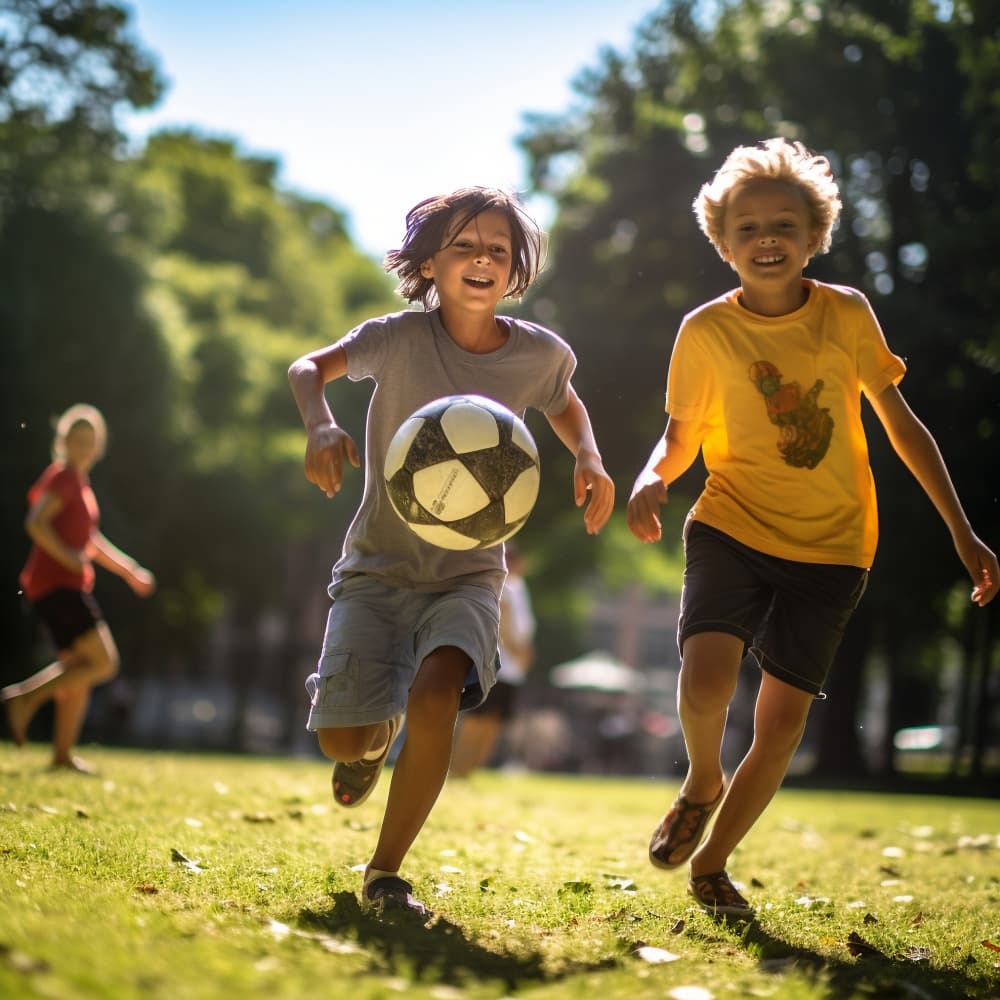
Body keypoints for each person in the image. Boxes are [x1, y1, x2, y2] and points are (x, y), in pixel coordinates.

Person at [626, 138, 998, 919]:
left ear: (813, 235)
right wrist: (651, 478)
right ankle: (700, 779)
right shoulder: (704, 331)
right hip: (731, 520)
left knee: (783, 723)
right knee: (705, 681)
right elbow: (680, 433)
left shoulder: (848, 314)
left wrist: (962, 531)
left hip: (833, 546)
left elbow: (902, 425)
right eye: (749, 226)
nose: (767, 238)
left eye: (784, 225)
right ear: (722, 241)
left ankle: (713, 863)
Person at [288, 186, 614, 918]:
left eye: (498, 249)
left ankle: (386, 874)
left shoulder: (539, 354)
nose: (481, 259)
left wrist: (588, 457)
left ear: (516, 270)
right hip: (377, 569)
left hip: (469, 575)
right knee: (342, 740)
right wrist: (318, 425)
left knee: (439, 693)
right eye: (464, 245)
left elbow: (564, 401)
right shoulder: (397, 338)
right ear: (430, 262)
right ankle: (374, 740)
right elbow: (307, 368)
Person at [3, 404, 156, 772]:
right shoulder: (63, 478)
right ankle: (23, 699)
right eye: (77, 439)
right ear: (64, 442)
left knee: (79, 669)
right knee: (103, 663)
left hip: (58, 585)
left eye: (90, 440)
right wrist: (69, 558)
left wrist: (128, 570)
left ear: (98, 445)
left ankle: (61, 755)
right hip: (57, 585)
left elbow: (90, 540)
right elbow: (36, 523)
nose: (84, 446)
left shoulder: (79, 484)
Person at [449, 542, 536, 778]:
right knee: (476, 719)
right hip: (498, 664)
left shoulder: (520, 587)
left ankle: (468, 771)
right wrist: (518, 652)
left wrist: (524, 654)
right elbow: (503, 623)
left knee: (493, 722)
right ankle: (456, 769)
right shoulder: (505, 586)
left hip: (514, 669)